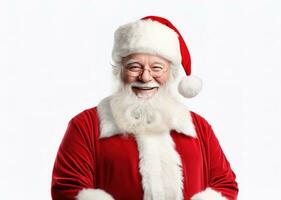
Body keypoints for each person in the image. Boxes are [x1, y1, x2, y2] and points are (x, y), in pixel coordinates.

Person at [51, 16, 238, 200]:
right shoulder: (86, 125)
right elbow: (68, 188)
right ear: (119, 71)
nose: (146, 77)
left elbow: (225, 184)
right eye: (134, 66)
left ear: (171, 74)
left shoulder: (198, 127)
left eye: (157, 67)